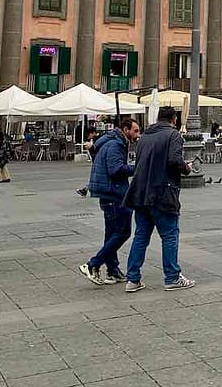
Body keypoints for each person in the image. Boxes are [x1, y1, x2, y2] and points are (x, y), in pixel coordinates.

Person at [122, 107, 195, 292]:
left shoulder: (145, 136)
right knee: (170, 235)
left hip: (140, 192)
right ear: (174, 119)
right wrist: (186, 167)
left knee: (141, 236)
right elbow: (173, 160)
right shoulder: (173, 135)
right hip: (163, 193)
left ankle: (132, 278)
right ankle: (172, 277)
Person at [79, 118, 141, 286]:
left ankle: (112, 271)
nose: (138, 134)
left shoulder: (113, 142)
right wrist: (137, 168)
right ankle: (92, 264)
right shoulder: (115, 145)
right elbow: (115, 170)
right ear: (126, 129)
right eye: (135, 131)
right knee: (123, 232)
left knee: (111, 234)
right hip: (114, 193)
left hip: (109, 193)